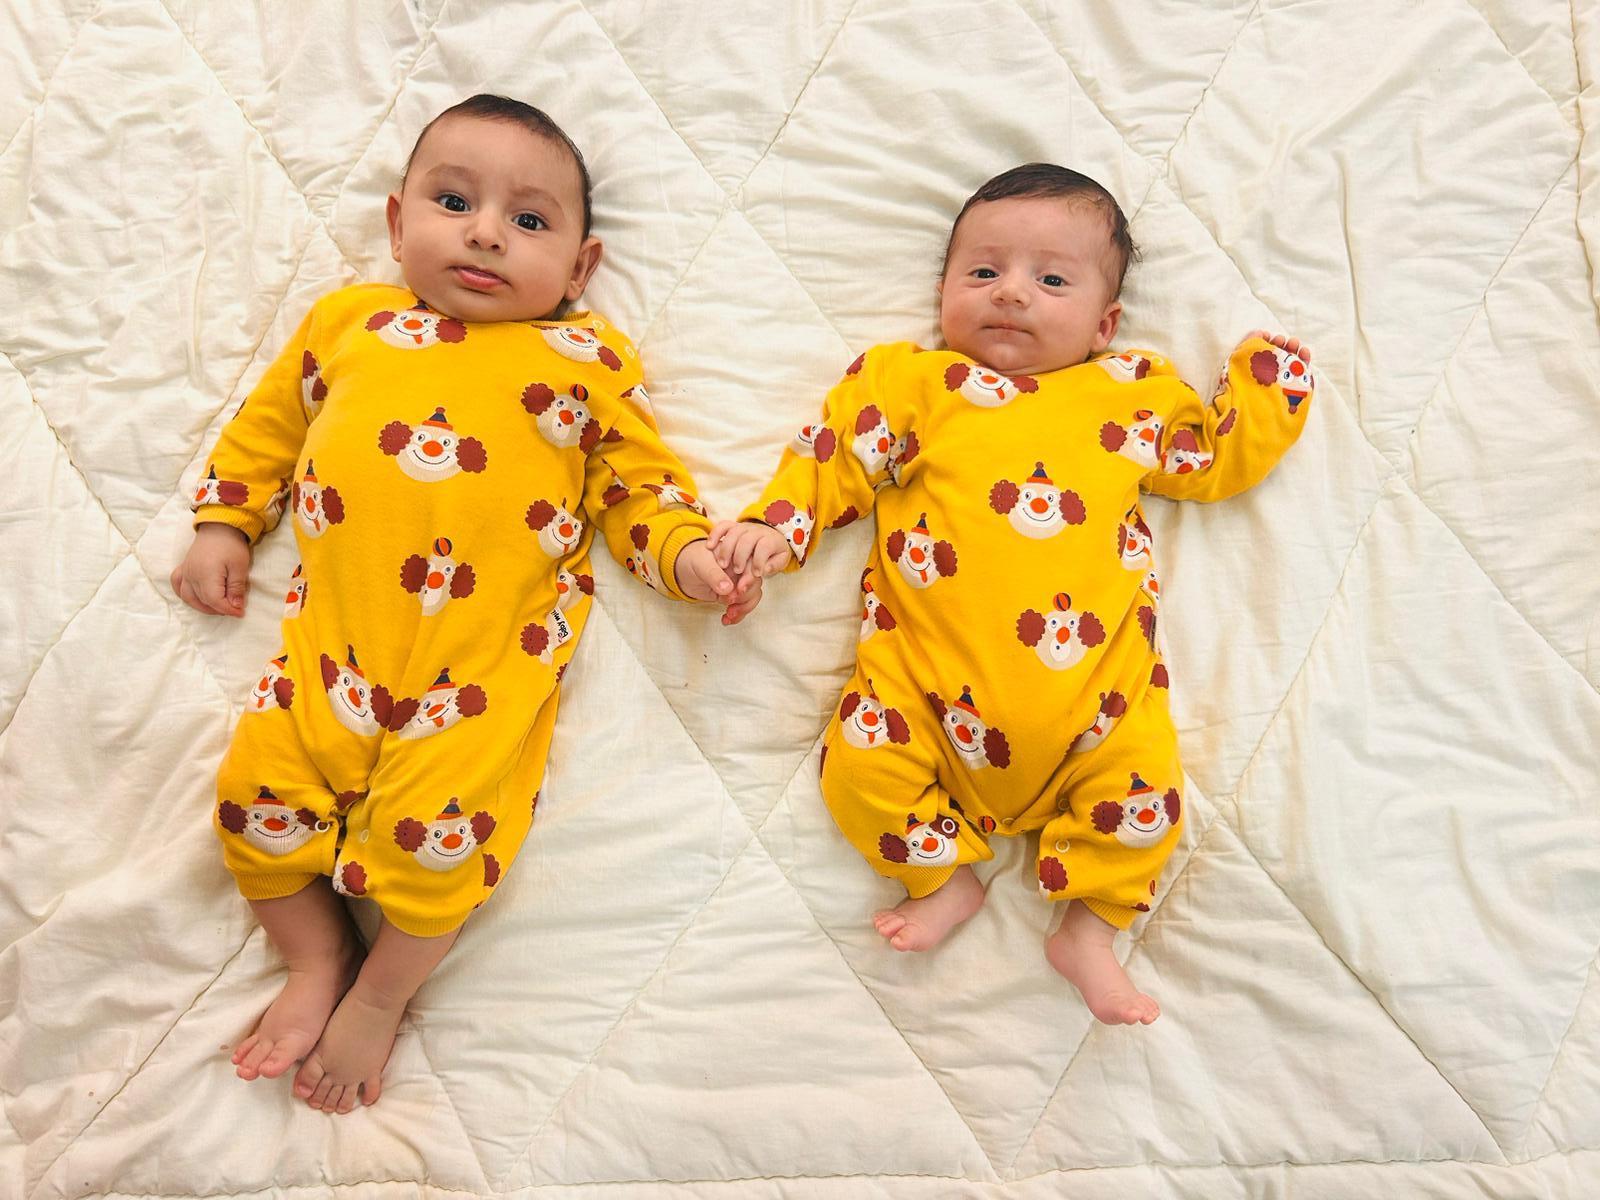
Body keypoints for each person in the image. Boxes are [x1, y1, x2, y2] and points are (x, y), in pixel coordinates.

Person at [171, 94, 741, 1111]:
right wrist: (225, 520)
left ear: (580, 268)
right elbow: (268, 429)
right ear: (398, 225)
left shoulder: (587, 362)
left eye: (528, 220)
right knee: (250, 809)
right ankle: (314, 959)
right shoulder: (350, 324)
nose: (484, 232)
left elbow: (637, 487)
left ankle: (380, 994)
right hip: (329, 654)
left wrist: (688, 556)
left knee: (439, 846)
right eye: (452, 202)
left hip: (478, 676)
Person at [707, 163, 1314, 1026]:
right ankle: (942, 876)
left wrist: (1268, 389)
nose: (1012, 293)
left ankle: (1089, 931)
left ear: (1105, 324)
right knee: (859, 770)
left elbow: (1210, 463)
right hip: (923, 692)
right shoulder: (914, 385)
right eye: (984, 272)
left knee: (1148, 799)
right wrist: (777, 529)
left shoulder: (1129, 394)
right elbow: (833, 459)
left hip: (1096, 706)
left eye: (1052, 280)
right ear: (943, 292)